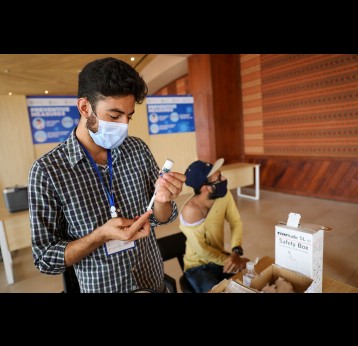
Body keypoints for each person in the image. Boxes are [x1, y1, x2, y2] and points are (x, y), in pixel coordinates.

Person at [28, 57, 185, 293]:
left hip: (152, 282)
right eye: (114, 116)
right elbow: (46, 259)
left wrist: (163, 200)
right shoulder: (48, 171)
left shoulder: (137, 149)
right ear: (84, 108)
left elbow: (161, 217)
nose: (124, 126)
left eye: (129, 116)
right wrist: (99, 236)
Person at [179, 158, 249, 293]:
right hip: (197, 267)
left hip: (220, 259)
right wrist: (230, 260)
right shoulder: (191, 211)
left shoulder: (224, 195)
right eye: (218, 177)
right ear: (205, 188)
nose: (224, 178)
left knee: (250, 282)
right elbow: (202, 251)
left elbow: (235, 221)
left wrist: (236, 251)